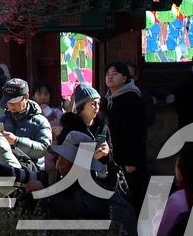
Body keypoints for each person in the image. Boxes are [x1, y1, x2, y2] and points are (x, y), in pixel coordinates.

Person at [23, 131, 110, 221]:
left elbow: (76, 214)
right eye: (60, 157)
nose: (60, 162)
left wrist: (44, 194)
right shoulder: (58, 182)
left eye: (66, 157)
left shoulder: (94, 190)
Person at [103, 61, 148, 211]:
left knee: (135, 196)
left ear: (124, 77)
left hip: (129, 160)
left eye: (115, 74)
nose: (110, 77)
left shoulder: (132, 99)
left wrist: (132, 160)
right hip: (113, 158)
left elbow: (137, 132)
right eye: (108, 74)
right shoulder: (107, 100)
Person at [0, 78, 51, 174]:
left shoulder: (40, 122)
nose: (11, 105)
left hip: (32, 175)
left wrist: (17, 141)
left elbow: (43, 149)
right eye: (8, 101)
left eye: (15, 101)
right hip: (4, 174)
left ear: (27, 97)